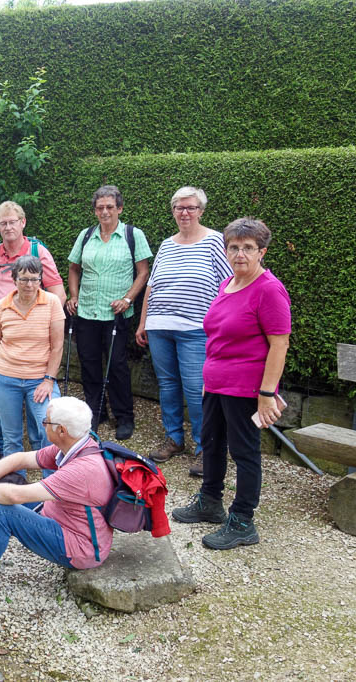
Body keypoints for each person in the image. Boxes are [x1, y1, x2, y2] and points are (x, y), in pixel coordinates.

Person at [171, 217, 290, 550]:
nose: (240, 254)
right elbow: (219, 337)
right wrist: (209, 381)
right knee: (211, 443)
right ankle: (210, 502)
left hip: (246, 388)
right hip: (216, 384)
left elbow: (280, 344)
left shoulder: (268, 289)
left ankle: (242, 522)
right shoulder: (227, 284)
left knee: (244, 452)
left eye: (248, 248)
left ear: (261, 251)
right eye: (234, 247)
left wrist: (267, 394)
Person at [0, 396, 114, 608]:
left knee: (1, 509)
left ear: (61, 430)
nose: (42, 424)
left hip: (81, 547)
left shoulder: (83, 469)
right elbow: (19, 459)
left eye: (46, 422)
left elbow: (16, 496)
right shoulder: (76, 444)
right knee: (1, 486)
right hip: (60, 520)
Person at [135, 187, 233, 476]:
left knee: (196, 390)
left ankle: (206, 449)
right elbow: (151, 286)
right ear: (173, 211)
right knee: (167, 386)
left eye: (191, 207)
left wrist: (222, 325)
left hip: (196, 329)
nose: (185, 213)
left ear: (201, 211)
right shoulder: (166, 244)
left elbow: (228, 284)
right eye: (179, 208)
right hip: (159, 327)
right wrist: (143, 322)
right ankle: (175, 438)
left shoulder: (216, 241)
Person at [0, 201, 67, 458]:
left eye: (12, 221)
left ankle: (39, 461)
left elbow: (57, 290)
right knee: (3, 416)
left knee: (41, 422)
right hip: (1, 335)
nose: (8, 227)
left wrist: (39, 320)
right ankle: (7, 461)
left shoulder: (37, 251)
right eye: (3, 223)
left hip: (36, 348)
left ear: (23, 222)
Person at [67, 185, 151, 440]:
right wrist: (74, 296)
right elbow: (73, 269)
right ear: (95, 210)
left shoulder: (132, 235)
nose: (105, 212)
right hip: (87, 312)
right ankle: (96, 412)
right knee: (90, 365)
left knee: (116, 367)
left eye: (110, 207)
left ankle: (124, 417)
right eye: (100, 207)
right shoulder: (86, 235)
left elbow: (143, 272)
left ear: (119, 208)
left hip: (116, 314)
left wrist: (128, 298)